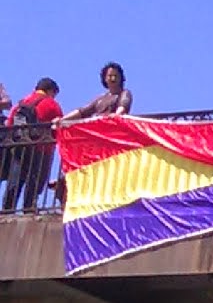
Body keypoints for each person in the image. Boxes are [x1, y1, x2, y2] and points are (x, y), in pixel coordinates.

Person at [3, 78, 64, 211]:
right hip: (41, 149)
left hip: (19, 147)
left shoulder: (22, 103)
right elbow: (60, 127)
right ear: (50, 91)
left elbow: (9, 124)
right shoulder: (52, 104)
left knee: (15, 180)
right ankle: (29, 208)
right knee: (35, 182)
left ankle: (6, 210)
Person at [59, 62, 133, 122]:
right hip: (99, 131)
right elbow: (82, 111)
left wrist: (114, 116)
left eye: (116, 76)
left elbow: (121, 109)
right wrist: (62, 119)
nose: (113, 79)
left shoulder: (124, 93)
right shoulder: (101, 99)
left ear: (121, 78)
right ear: (105, 79)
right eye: (110, 76)